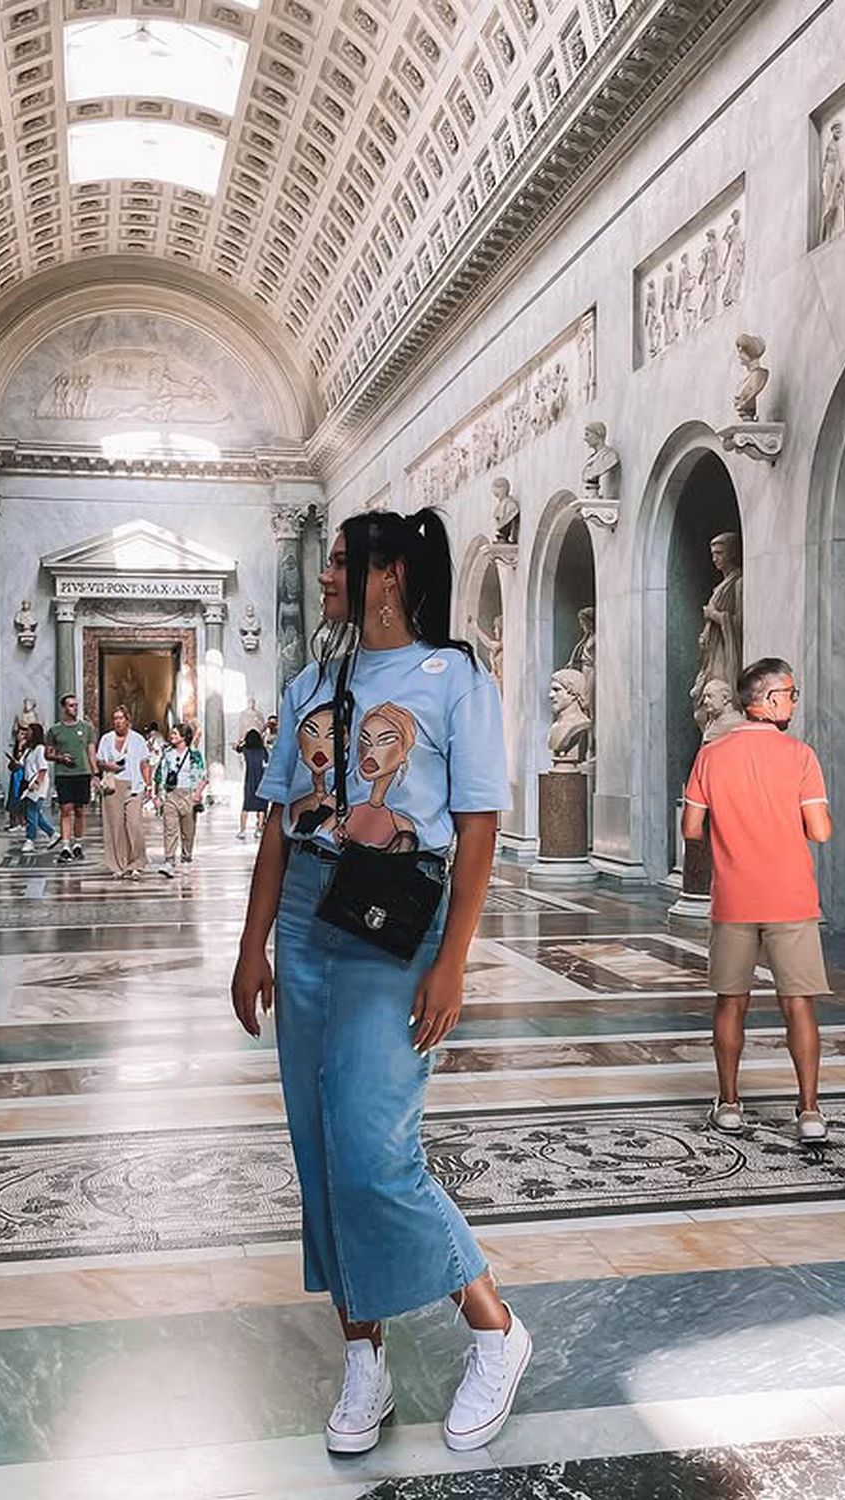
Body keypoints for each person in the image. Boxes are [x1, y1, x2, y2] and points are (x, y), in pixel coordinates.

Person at [232, 508, 530, 1459]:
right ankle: (363, 1354)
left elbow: (477, 828)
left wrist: (454, 961)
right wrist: (251, 944)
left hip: (397, 920)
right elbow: (279, 824)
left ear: (390, 574)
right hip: (306, 916)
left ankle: (494, 1327)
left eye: (341, 563)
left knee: (375, 1151)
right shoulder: (309, 684)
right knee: (319, 1146)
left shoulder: (456, 678)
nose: (326, 577)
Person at [681, 657, 834, 1144]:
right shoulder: (801, 755)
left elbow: (691, 829)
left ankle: (729, 1105)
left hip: (734, 897)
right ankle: (809, 1111)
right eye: (790, 693)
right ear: (767, 700)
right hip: (791, 898)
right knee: (799, 1005)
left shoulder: (711, 755)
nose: (794, 702)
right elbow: (820, 831)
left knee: (731, 1002)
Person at [96, 705, 152, 878]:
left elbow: (144, 763)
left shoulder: (137, 739)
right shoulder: (107, 739)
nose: (118, 722)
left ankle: (137, 862)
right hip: (113, 785)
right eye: (115, 718)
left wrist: (149, 785)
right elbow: (99, 761)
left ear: (127, 720)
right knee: (115, 826)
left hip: (134, 785)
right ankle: (118, 864)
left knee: (134, 825)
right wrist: (110, 766)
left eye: (121, 718)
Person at [46, 694, 97, 865]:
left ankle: (78, 843)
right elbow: (48, 754)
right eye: (71, 705)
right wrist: (60, 758)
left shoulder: (87, 728)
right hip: (63, 774)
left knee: (80, 810)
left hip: (82, 773)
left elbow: (91, 752)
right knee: (66, 808)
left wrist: (95, 773)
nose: (74, 708)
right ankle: (66, 846)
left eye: (76, 705)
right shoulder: (55, 730)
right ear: (64, 708)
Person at [156, 724, 207, 877]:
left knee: (188, 832)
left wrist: (197, 794)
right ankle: (169, 861)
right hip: (171, 794)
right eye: (172, 733)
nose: (172, 736)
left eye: (175, 734)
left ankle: (186, 858)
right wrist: (157, 795)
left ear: (184, 737)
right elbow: (159, 774)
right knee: (170, 829)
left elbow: (203, 776)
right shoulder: (167, 754)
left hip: (188, 794)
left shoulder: (194, 755)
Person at [20, 723, 60, 854]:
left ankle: (30, 839)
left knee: (32, 811)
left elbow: (43, 768)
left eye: (29, 731)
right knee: (35, 813)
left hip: (37, 783)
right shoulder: (28, 750)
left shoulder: (40, 749)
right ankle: (52, 833)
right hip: (28, 783)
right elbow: (21, 764)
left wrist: (37, 782)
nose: (27, 734)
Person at [237, 726, 269, 840]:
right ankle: (258, 830)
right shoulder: (263, 750)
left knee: (246, 806)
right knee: (261, 807)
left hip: (249, 780)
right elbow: (267, 761)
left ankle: (242, 831)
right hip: (261, 780)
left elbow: (238, 748)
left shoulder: (246, 750)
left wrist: (241, 742)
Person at [5, 725, 28, 829]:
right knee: (13, 796)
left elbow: (21, 758)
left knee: (19, 796)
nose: (20, 736)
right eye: (19, 733)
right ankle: (14, 821)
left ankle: (22, 821)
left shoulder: (25, 747)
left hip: (22, 773)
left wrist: (20, 747)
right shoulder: (16, 746)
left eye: (22, 734)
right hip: (16, 773)